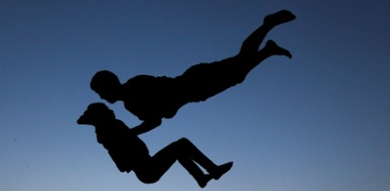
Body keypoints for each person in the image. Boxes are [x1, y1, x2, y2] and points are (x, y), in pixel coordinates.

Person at [90, 10, 296, 133]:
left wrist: (134, 131)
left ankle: (267, 26)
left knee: (239, 64)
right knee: (238, 73)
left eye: (101, 91)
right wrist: (135, 130)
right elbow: (158, 118)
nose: (101, 96)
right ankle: (268, 50)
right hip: (196, 90)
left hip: (196, 81)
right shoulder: (131, 104)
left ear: (110, 85)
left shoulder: (135, 89)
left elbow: (164, 105)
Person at [77, 103, 232, 187]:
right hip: (146, 170)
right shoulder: (109, 128)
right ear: (102, 115)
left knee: (180, 150)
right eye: (106, 110)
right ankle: (212, 171)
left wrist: (150, 123)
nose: (111, 111)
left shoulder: (108, 128)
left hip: (147, 167)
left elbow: (131, 134)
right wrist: (151, 123)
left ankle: (201, 177)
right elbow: (130, 134)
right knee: (182, 144)